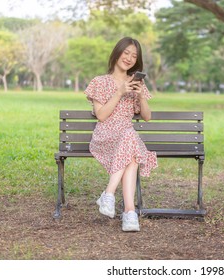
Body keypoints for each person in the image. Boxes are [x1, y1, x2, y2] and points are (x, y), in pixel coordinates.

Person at [84, 37, 157, 232]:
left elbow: (147, 117)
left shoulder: (136, 83)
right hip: (106, 135)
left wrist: (140, 95)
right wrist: (119, 92)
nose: (129, 58)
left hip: (126, 136)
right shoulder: (99, 82)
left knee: (131, 148)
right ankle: (125, 211)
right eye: (126, 53)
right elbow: (101, 116)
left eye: (134, 56)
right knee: (130, 140)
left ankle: (122, 205)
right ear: (117, 52)